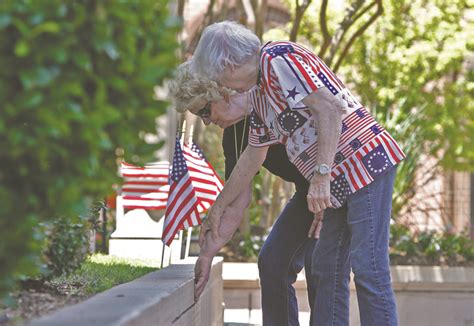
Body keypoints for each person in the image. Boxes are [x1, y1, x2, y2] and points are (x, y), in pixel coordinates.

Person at [191, 21, 406, 326]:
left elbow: (329, 109)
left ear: (227, 64)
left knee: (369, 267)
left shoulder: (277, 59)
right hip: (337, 180)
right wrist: (216, 212)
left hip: (363, 164)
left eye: (215, 75)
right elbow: (251, 158)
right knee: (325, 268)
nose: (219, 85)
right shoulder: (258, 93)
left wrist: (320, 176)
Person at [169, 61, 321, 325]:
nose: (206, 122)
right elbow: (237, 200)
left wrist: (326, 189)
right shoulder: (235, 135)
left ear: (219, 91)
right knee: (274, 262)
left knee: (320, 263)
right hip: (307, 192)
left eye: (205, 110)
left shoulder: (269, 100)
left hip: (337, 180)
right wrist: (207, 254)